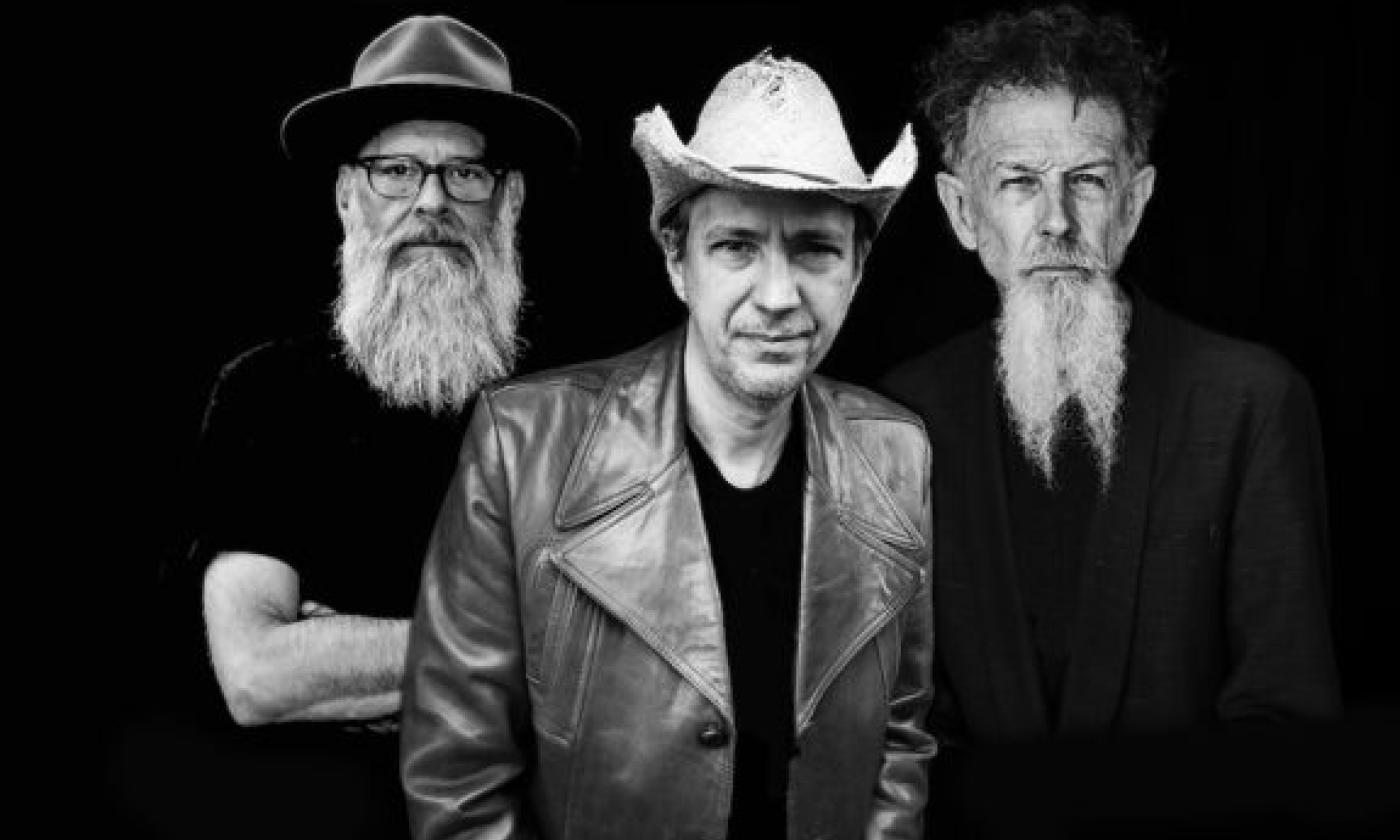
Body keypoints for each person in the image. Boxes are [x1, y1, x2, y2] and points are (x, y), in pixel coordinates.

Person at [400, 52, 934, 839]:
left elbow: (900, 740)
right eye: (738, 246)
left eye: (816, 249)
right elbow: (457, 780)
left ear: (857, 269)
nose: (779, 296)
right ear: (676, 260)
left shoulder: (898, 452)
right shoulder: (523, 445)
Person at [882, 4, 1342, 750]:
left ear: (1133, 205)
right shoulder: (902, 417)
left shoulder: (1251, 403)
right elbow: (897, 730)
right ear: (963, 212)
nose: (1057, 220)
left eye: (1089, 181)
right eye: (1020, 183)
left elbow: (1286, 718)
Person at [187, 15, 577, 837]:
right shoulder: (267, 393)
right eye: (396, 170)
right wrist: (511, 650)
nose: (431, 201)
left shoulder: (574, 400)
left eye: (465, 173)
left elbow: (622, 667)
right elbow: (256, 674)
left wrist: (349, 654)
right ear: (345, 195)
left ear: (509, 200)